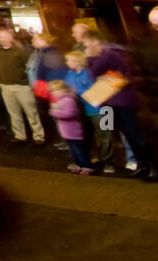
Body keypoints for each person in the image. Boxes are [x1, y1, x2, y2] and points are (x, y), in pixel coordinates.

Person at [82, 30, 158, 181]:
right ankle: (142, 165)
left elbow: (94, 72)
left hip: (120, 101)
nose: (85, 46)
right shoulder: (106, 55)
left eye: (86, 42)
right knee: (124, 134)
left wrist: (90, 59)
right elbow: (94, 73)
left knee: (134, 135)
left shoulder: (109, 54)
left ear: (94, 41)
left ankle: (151, 166)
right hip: (110, 101)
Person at [0, 26, 44, 144]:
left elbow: (28, 67)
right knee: (13, 113)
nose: (1, 39)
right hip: (6, 85)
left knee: (31, 112)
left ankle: (38, 136)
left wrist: (25, 81)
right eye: (0, 37)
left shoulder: (20, 51)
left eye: (4, 37)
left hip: (22, 86)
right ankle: (20, 135)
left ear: (10, 38)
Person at [29, 32, 68, 150]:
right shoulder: (42, 53)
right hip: (50, 89)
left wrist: (53, 90)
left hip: (53, 90)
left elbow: (55, 74)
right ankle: (64, 139)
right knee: (57, 117)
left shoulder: (50, 54)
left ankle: (67, 141)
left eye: (35, 39)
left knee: (60, 116)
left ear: (43, 40)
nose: (32, 42)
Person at [48, 79, 92, 174]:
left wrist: (54, 112)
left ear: (63, 90)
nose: (53, 93)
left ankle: (86, 166)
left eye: (55, 90)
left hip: (74, 132)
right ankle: (79, 164)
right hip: (67, 132)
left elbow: (69, 114)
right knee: (74, 150)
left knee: (79, 150)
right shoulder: (61, 101)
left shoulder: (68, 100)